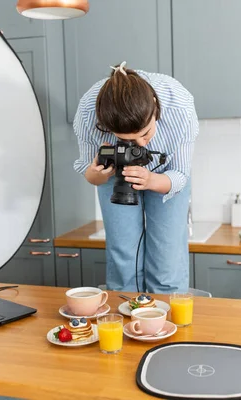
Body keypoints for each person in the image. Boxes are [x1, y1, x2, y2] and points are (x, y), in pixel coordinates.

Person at [73, 61, 199, 294]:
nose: (140, 144)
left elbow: (180, 173)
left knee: (167, 258)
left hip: (167, 174)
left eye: (144, 134)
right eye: (127, 140)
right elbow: (89, 171)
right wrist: (98, 174)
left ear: (154, 107)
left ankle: (164, 322)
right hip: (114, 174)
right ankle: (125, 318)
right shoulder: (89, 110)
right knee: (123, 254)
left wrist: (151, 180)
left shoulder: (179, 104)